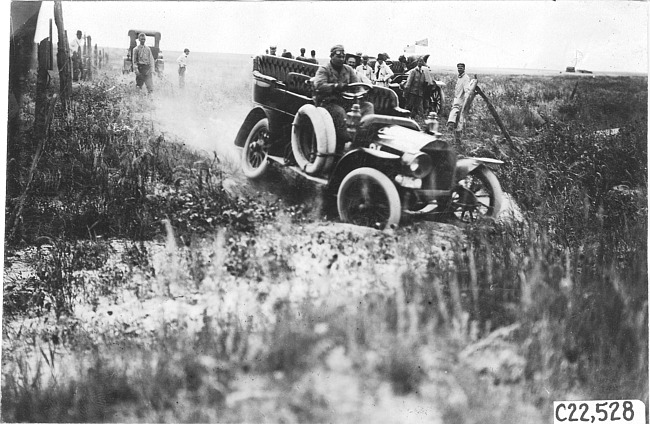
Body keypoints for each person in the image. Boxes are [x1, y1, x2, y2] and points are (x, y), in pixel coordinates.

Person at [313, 44, 374, 152]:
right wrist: (336, 86)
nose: (341, 59)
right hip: (328, 102)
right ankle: (344, 140)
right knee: (340, 112)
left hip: (347, 101)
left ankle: (364, 134)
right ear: (331, 56)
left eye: (342, 57)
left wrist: (362, 92)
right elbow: (319, 85)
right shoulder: (324, 69)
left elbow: (357, 85)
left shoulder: (348, 69)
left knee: (368, 106)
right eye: (338, 56)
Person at [447, 63, 472, 130]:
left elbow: (467, 89)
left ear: (464, 68)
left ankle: (451, 124)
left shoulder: (465, 78)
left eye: (461, 68)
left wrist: (466, 98)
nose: (459, 69)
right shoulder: (460, 77)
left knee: (455, 109)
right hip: (457, 97)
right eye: (458, 68)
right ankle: (457, 125)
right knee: (458, 111)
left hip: (461, 97)